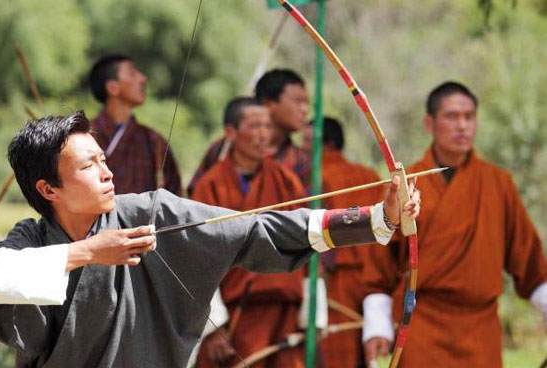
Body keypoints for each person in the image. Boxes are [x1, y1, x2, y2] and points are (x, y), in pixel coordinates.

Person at [0, 111, 419, 368]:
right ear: (48, 190)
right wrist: (88, 254)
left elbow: (252, 227)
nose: (106, 172)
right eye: (87, 166)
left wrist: (378, 218)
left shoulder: (149, 214)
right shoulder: (32, 238)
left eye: (103, 159)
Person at [361, 81, 547, 368]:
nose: (463, 126)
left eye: (469, 116)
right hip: (422, 325)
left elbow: (529, 260)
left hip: (480, 329)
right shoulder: (405, 183)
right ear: (429, 123)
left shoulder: (498, 184)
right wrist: (377, 324)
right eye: (452, 116)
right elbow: (379, 263)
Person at [192, 97, 309, 367]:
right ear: (231, 132)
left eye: (267, 126)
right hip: (235, 315)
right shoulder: (210, 186)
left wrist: (313, 315)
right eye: (254, 126)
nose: (263, 134)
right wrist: (213, 327)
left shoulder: (286, 180)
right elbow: (197, 259)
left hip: (285, 312)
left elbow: (309, 241)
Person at [316, 117, 384, 368]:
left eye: (306, 143)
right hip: (374, 279)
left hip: (336, 279)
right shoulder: (371, 176)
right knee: (369, 356)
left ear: (326, 143)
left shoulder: (315, 176)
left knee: (337, 355)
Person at [187, 69, 310, 194]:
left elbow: (308, 209)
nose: (305, 109)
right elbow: (196, 200)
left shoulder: (301, 161)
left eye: (306, 103)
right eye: (298, 101)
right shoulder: (223, 148)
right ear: (268, 104)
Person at [89, 54, 182, 195]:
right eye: (132, 73)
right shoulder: (84, 137)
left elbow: (174, 198)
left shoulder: (154, 141)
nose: (143, 79)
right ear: (112, 87)